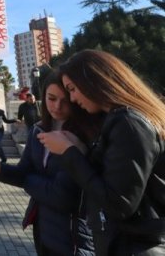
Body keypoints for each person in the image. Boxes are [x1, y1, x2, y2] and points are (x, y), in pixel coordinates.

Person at [39, 50, 165, 255]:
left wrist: (69, 152)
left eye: (72, 89)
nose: (72, 98)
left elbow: (119, 204)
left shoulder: (129, 123)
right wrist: (79, 148)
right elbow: (111, 179)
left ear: (94, 80)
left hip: (138, 245)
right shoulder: (117, 120)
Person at [0, 72, 95, 255]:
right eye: (51, 99)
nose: (57, 106)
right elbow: (23, 171)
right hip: (42, 228)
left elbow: (62, 195)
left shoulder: (81, 135)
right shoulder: (38, 129)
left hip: (73, 234)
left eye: (65, 100)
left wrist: (28, 180)